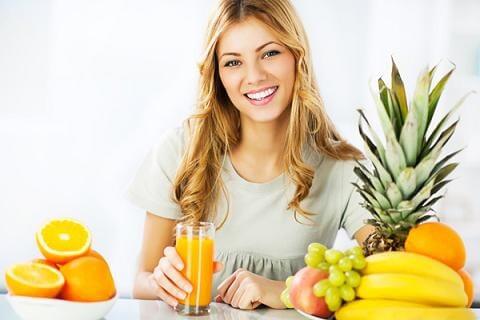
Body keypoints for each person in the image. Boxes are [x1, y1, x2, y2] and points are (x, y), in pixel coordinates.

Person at [128, 0, 375, 311]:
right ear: (217, 75)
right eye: (233, 62)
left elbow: (389, 275)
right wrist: (160, 283)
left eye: (270, 53)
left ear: (297, 57)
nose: (254, 76)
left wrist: (287, 291)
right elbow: (141, 282)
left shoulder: (342, 169)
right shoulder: (181, 151)